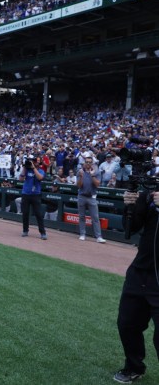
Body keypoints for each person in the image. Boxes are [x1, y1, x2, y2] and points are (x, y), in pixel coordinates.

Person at [113, 189, 159, 384]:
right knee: (127, 324)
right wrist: (130, 206)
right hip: (140, 271)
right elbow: (130, 229)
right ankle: (134, 367)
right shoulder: (150, 194)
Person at [77, 156, 106, 243]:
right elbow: (78, 185)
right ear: (84, 163)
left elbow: (97, 184)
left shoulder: (97, 172)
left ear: (92, 163)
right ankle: (82, 234)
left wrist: (92, 175)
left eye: (90, 162)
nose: (88, 163)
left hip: (92, 197)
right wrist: (81, 176)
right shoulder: (80, 171)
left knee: (95, 218)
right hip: (81, 196)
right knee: (81, 216)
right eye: (87, 162)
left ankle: (98, 237)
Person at [19, 156, 48, 240]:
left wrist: (34, 168)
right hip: (26, 194)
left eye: (36, 162)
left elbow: (40, 177)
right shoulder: (27, 170)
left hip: (36, 194)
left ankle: (43, 233)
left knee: (38, 214)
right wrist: (24, 167)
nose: (35, 163)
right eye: (34, 161)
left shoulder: (41, 170)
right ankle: (25, 230)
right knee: (25, 213)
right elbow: (20, 179)